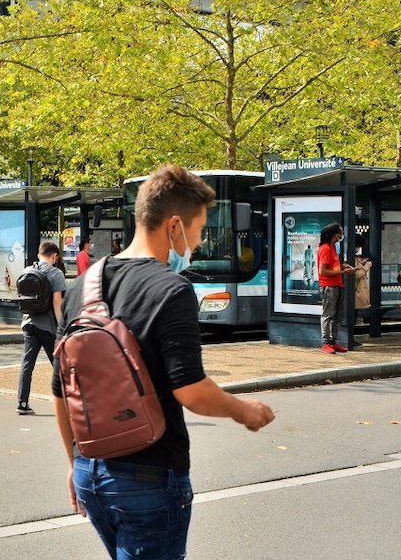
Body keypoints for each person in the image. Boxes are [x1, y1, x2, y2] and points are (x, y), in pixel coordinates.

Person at [53, 164, 274, 559]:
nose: (199, 240)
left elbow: (61, 390)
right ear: (174, 227)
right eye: (198, 229)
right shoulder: (172, 289)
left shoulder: (82, 287)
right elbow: (190, 389)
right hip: (150, 476)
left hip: (91, 470)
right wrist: (244, 411)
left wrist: (75, 462)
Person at [17, 240, 67, 415]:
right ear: (54, 256)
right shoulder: (56, 274)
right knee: (59, 366)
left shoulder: (27, 271)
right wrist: (63, 328)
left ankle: (22, 403)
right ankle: (66, 404)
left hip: (29, 323)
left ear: (39, 254)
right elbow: (57, 303)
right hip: (48, 327)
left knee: (27, 363)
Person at [316, 223, 356, 354]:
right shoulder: (326, 249)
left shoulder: (332, 248)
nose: (342, 235)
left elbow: (334, 266)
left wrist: (343, 266)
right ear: (334, 234)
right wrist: (343, 273)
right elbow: (323, 271)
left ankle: (333, 341)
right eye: (340, 233)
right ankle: (326, 343)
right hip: (328, 286)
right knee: (328, 314)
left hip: (337, 285)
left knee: (338, 315)